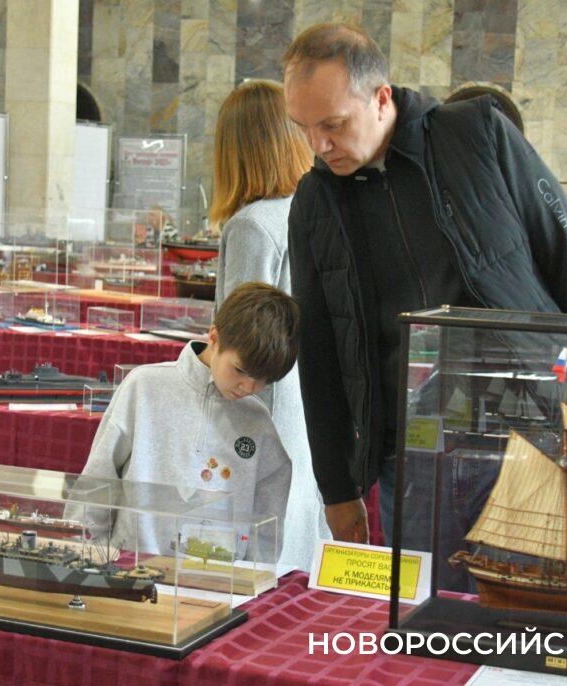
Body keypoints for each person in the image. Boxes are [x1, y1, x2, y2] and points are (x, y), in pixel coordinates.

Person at [282, 24, 567, 544]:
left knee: (530, 592)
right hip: (413, 455)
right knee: (423, 598)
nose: (318, 145)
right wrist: (338, 490)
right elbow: (320, 351)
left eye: (334, 124)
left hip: (532, 431)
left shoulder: (479, 134)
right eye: (303, 127)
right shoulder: (314, 202)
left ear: (381, 98)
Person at [79, 282, 295, 561]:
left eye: (263, 381)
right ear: (214, 338)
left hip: (219, 579)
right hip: (130, 567)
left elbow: (268, 518)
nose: (248, 387)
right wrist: (90, 551)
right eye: (240, 370)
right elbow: (99, 478)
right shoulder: (144, 387)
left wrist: (255, 573)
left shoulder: (258, 421)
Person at [210, 78, 329, 572]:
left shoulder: (252, 225)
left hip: (259, 409)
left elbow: (243, 341)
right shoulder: (307, 212)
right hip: (302, 408)